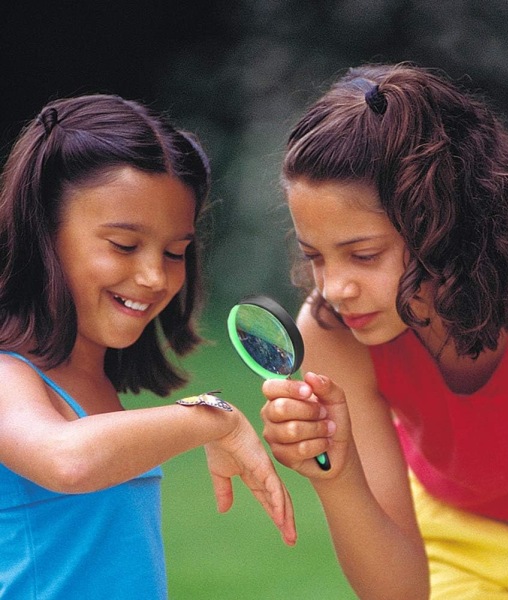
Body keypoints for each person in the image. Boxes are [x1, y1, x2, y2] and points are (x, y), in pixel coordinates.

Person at [260, 62, 508, 600]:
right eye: (315, 257)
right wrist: (335, 475)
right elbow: (399, 593)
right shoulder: (331, 333)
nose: (334, 289)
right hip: (453, 537)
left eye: (363, 254)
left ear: (447, 221)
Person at [0, 94, 296, 600]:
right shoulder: (9, 374)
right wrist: (213, 417)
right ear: (43, 234)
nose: (154, 276)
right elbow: (68, 461)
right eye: (124, 245)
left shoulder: (97, 385)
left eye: (175, 252)